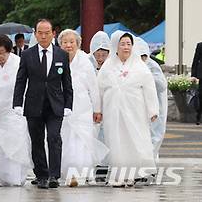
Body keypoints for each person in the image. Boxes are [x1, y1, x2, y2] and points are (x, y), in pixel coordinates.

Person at [13, 18, 73, 189]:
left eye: (47, 33)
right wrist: (17, 102)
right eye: (40, 33)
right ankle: (42, 175)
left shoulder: (61, 54)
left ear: (53, 34)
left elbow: (67, 82)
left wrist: (68, 104)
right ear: (35, 34)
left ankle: (54, 174)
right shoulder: (26, 55)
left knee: (54, 138)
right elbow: (20, 80)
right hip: (33, 104)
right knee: (37, 140)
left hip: (55, 104)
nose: (44, 36)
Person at [97, 31, 159, 187]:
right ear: (115, 46)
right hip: (113, 110)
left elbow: (149, 88)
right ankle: (118, 174)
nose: (126, 47)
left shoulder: (139, 66)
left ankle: (132, 174)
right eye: (122, 44)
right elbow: (99, 89)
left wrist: (153, 110)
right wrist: (98, 110)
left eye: (128, 44)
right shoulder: (107, 66)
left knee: (134, 140)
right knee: (116, 141)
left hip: (135, 110)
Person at [57, 29, 108, 186]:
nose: (69, 45)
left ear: (78, 44)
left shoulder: (85, 61)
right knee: (64, 138)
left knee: (82, 140)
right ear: (60, 45)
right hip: (61, 107)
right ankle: (65, 172)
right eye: (65, 42)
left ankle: (82, 172)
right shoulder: (56, 59)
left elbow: (93, 87)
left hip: (82, 107)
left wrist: (97, 109)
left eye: (72, 42)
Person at [0, 34, 32, 186]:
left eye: (2, 53)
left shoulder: (19, 63)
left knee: (17, 142)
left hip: (15, 111)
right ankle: (4, 176)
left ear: (9, 51)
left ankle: (18, 176)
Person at [135, 37, 167, 161]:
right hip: (138, 107)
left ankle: (150, 162)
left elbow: (161, 85)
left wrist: (145, 77)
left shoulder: (152, 65)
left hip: (154, 107)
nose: (142, 59)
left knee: (154, 136)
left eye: (143, 56)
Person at [191, 41, 202, 124]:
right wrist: (193, 75)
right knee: (200, 96)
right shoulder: (200, 45)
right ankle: (198, 115)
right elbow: (195, 60)